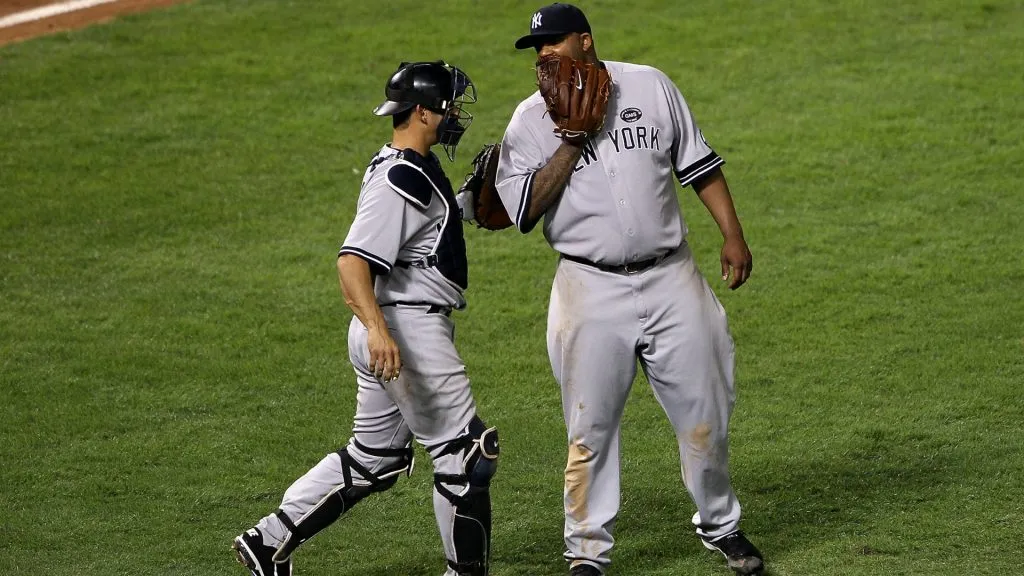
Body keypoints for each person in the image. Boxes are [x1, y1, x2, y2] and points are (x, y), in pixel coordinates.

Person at [492, 3, 764, 575]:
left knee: (707, 411)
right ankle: (587, 552)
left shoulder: (650, 86)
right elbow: (520, 210)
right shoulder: (529, 121)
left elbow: (699, 166)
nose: (543, 55)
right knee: (589, 428)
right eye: (535, 48)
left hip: (673, 277)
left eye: (554, 42)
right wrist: (570, 141)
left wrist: (732, 235)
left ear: (585, 41)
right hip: (588, 290)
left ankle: (722, 526)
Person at [232, 60, 499, 576]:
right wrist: (380, 331)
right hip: (404, 331)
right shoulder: (401, 178)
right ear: (422, 112)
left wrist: (466, 202)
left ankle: (268, 541)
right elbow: (352, 263)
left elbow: (424, 232)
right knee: (467, 457)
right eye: (447, 107)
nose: (454, 116)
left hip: (395, 325)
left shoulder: (404, 165)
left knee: (375, 456)